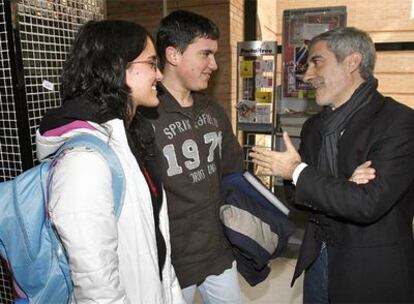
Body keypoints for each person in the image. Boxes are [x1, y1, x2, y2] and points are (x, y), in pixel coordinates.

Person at [250, 27, 414, 303]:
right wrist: (342, 186)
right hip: (318, 259)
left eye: (317, 62)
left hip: (371, 272)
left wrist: (298, 172)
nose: (306, 76)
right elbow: (297, 197)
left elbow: (366, 204)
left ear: (352, 62)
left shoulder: (399, 122)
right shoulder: (315, 127)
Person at [35, 20, 185, 303]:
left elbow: (156, 242)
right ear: (117, 67)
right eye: (152, 63)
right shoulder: (84, 162)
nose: (160, 75)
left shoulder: (132, 138)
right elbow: (97, 288)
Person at [141, 10, 243, 304]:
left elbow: (232, 172)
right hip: (171, 262)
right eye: (205, 54)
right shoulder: (144, 117)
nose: (214, 64)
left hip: (217, 253)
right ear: (173, 54)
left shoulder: (213, 112)